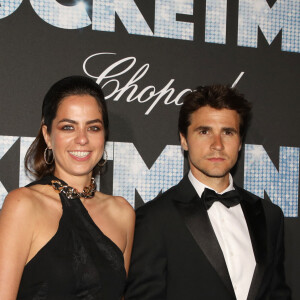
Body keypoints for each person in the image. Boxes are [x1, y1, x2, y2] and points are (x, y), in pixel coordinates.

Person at [125, 85, 291, 300]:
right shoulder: (154, 219)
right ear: (184, 140)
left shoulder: (270, 216)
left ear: (240, 142)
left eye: (228, 132)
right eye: (204, 132)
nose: (217, 145)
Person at [0, 76, 135, 300]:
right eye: (68, 127)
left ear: (104, 135)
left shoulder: (122, 213)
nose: (82, 139)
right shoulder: (23, 205)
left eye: (93, 127)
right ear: (48, 135)